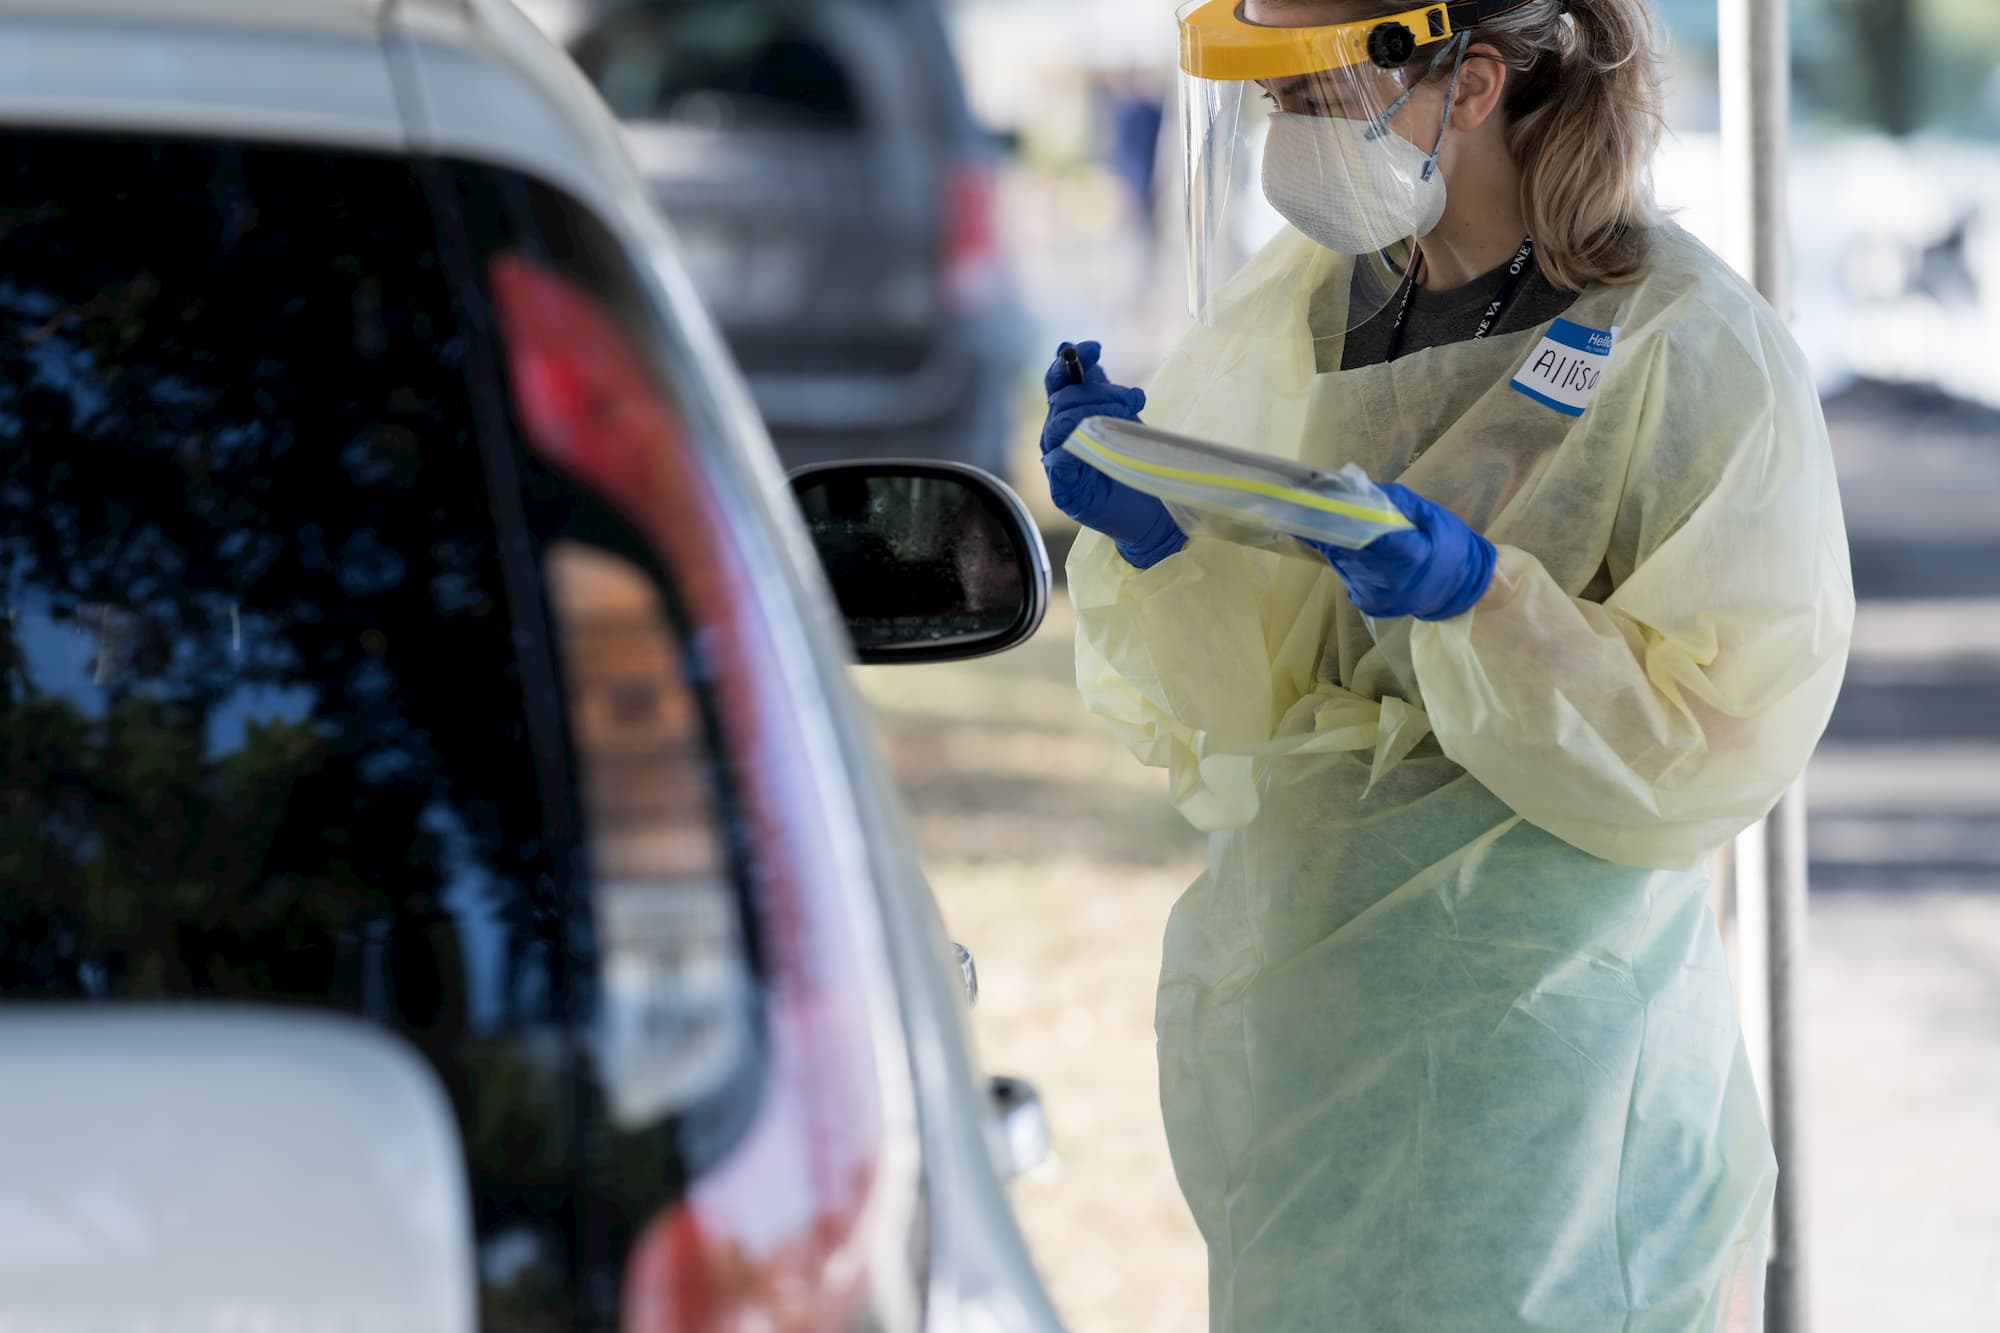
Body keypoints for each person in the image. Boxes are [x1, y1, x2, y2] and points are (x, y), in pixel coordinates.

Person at [1038, 1, 1854, 1330]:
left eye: (1306, 98)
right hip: (1306, 1032)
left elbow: (1714, 738)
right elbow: (1235, 703)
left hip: (1546, 1068)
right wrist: (1155, 534)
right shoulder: (1311, 308)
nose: (1277, 134)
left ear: (1470, 83)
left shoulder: (1686, 343)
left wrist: (1481, 603)